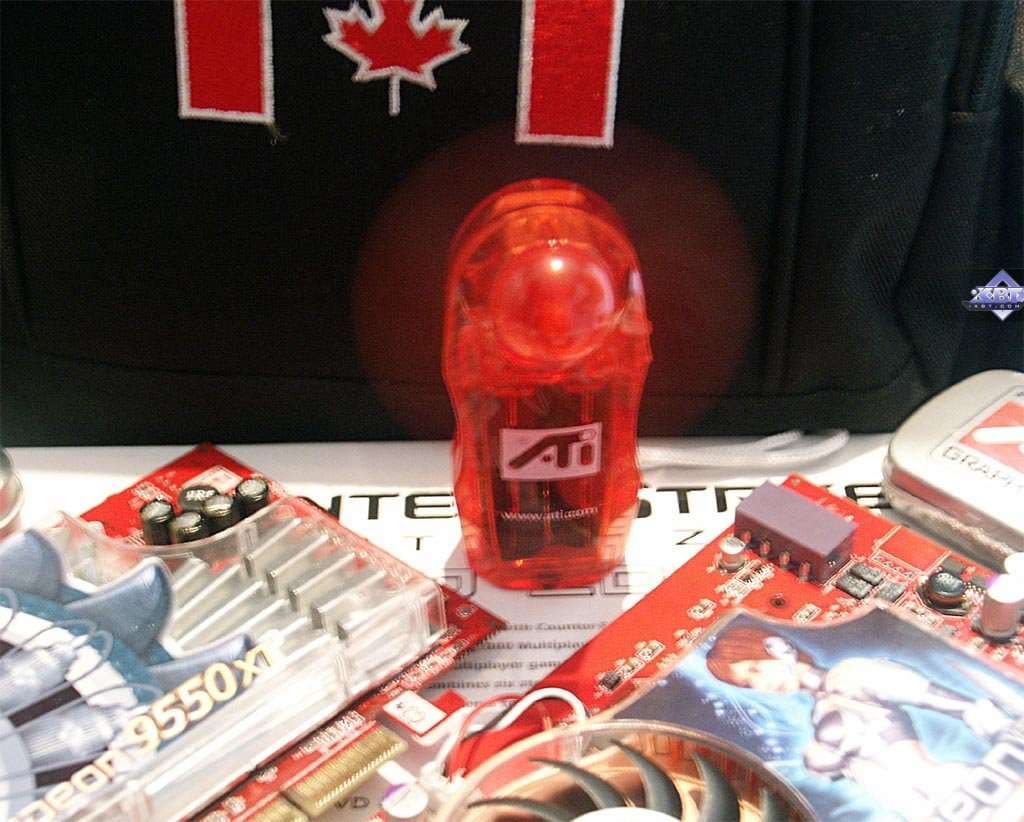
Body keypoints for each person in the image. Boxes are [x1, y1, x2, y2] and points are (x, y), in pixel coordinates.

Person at [705, 624, 1018, 819]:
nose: (760, 685)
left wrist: (1005, 736)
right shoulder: (820, 713)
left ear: (777, 647)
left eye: (755, 670)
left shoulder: (851, 675)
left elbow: (944, 701)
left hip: (968, 792)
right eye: (747, 685)